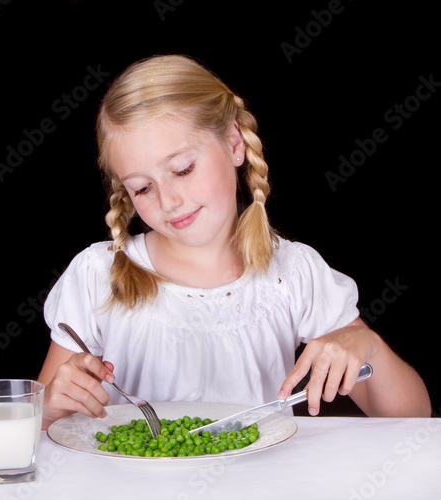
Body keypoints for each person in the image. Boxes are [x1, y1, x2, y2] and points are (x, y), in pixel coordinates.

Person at [38, 54, 431, 430]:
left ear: (234, 144)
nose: (169, 201)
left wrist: (369, 345)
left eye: (182, 169)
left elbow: (411, 419)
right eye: (142, 188)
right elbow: (36, 425)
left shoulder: (292, 273)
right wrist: (52, 404)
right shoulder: (97, 276)